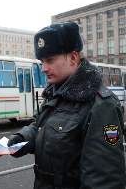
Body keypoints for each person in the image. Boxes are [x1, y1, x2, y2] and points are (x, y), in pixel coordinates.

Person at [7, 22, 126, 188]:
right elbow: (43, 125)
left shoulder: (101, 105)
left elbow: (104, 179)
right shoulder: (56, 91)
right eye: (42, 61)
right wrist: (21, 139)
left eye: (50, 60)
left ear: (73, 57)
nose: (43, 68)